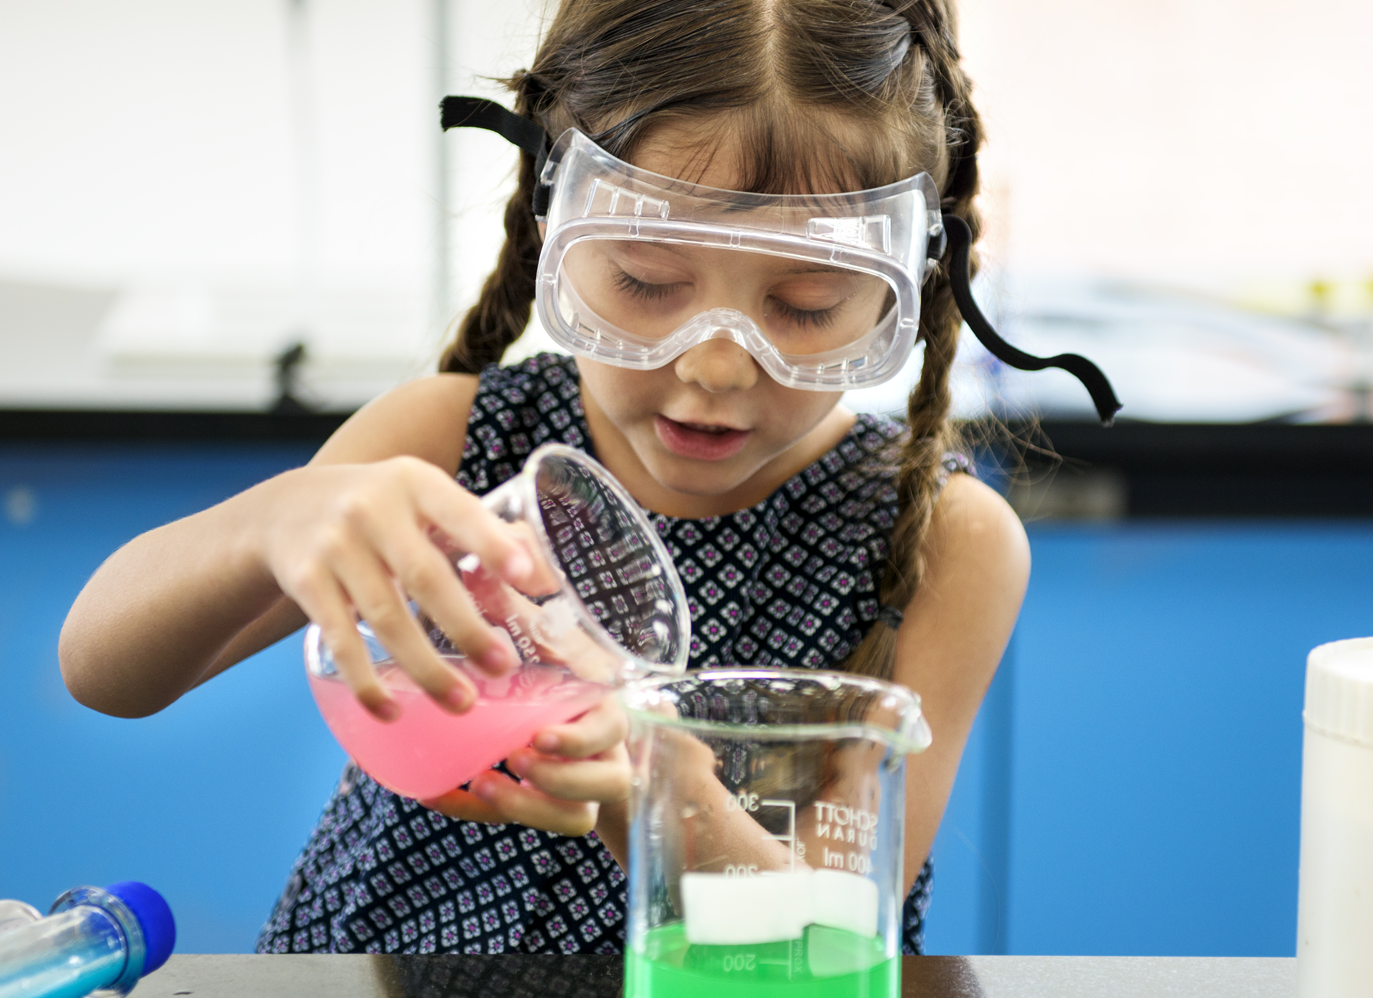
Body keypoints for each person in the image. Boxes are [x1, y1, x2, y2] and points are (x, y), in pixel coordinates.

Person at [59, 0, 1116, 957]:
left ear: (908, 283)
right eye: (647, 283)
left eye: (802, 304)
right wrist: (275, 520)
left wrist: (648, 785)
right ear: (557, 224)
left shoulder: (944, 541)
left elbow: (835, 942)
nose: (714, 364)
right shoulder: (449, 438)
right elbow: (104, 670)